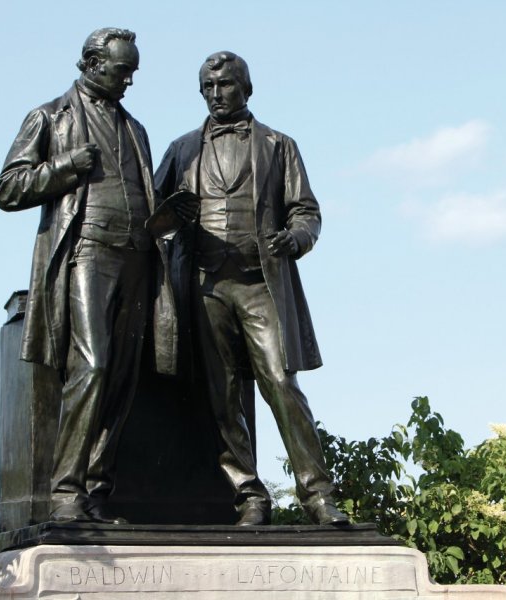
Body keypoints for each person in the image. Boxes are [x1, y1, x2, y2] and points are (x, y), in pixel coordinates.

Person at [154, 51, 348, 526]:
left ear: (247, 88)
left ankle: (318, 495)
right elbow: (152, 217)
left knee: (281, 384)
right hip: (203, 284)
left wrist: (297, 238)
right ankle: (249, 496)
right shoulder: (181, 150)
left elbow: (306, 211)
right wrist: (171, 217)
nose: (216, 95)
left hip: (260, 280)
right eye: (208, 88)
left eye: (225, 86)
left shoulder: (279, 146)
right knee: (220, 394)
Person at [0, 28, 179, 524]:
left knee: (121, 378)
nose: (129, 81)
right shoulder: (51, 116)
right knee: (92, 365)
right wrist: (65, 167)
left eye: (133, 72)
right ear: (93, 64)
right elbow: (8, 187)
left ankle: (95, 493)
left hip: (138, 255)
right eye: (124, 71)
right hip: (86, 251)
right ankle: (65, 491)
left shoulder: (134, 128)